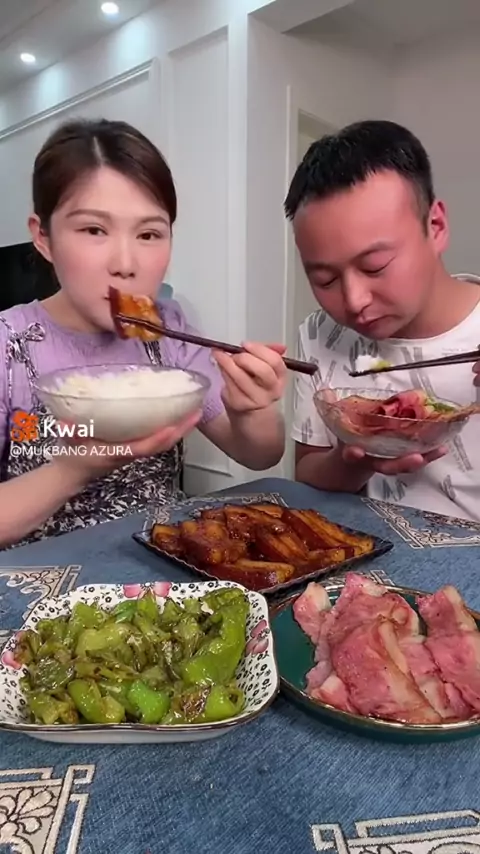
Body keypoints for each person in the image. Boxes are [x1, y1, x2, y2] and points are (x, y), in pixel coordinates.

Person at [0, 118, 286, 549]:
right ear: (43, 237)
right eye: (94, 230)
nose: (125, 264)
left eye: (149, 233)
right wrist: (73, 470)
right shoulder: (8, 344)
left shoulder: (168, 331)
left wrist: (252, 410)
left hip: (167, 569)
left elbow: (260, 454)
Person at [286, 119, 480, 522]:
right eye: (325, 279)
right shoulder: (321, 335)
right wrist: (354, 459)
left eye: (374, 266)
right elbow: (306, 474)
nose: (354, 301)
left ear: (436, 227)